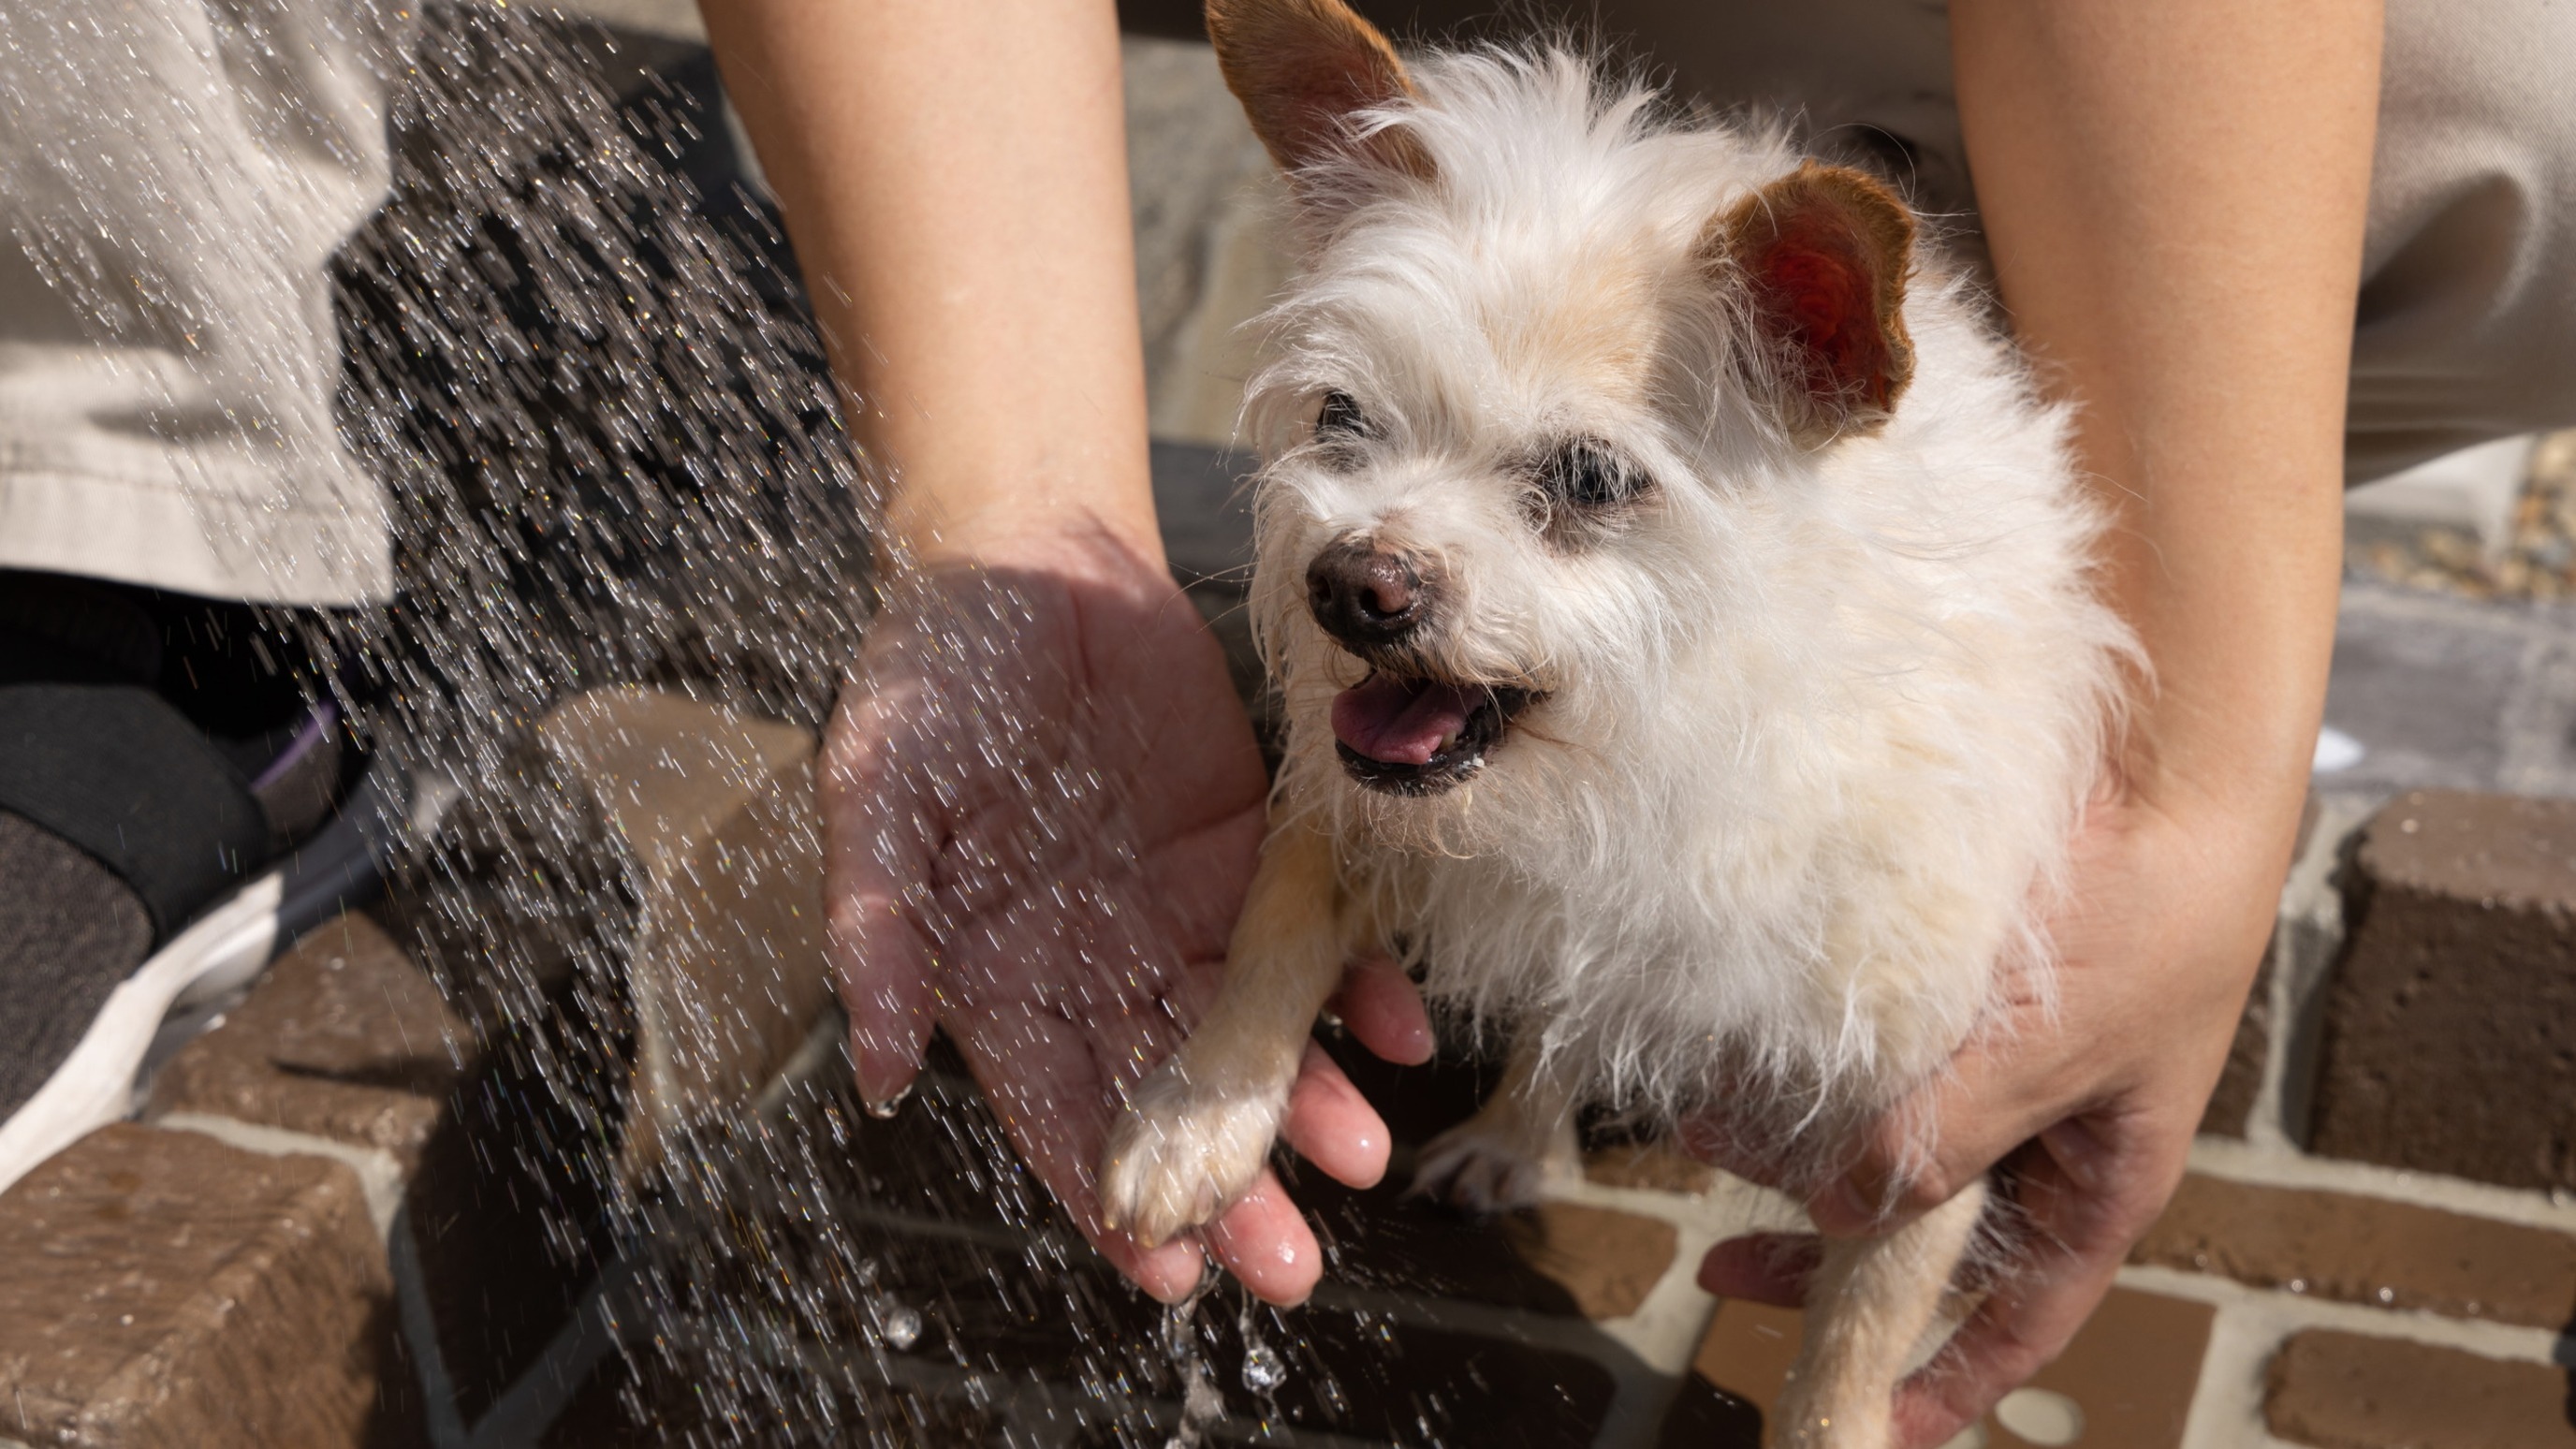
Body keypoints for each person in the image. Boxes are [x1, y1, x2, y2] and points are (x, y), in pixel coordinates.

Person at [701, 1, 2573, 1444]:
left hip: (1950, 289)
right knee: (1421, 747)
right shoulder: (1418, 641)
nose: (1371, 561)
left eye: (1574, 481)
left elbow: (1961, 1067)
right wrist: (1019, 543)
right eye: (1351, 429)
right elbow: (1331, 813)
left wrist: (2198, 799)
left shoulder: (1924, 741)